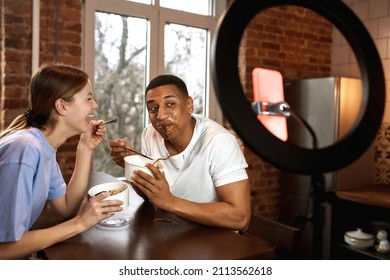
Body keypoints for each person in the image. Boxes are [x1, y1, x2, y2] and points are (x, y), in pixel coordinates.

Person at [0, 63, 123, 259]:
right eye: (89, 98)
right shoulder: (26, 148)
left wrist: (85, 148)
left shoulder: (43, 147)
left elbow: (67, 207)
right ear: (62, 106)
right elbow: (4, 249)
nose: (95, 106)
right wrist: (80, 224)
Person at [109, 74, 251, 231]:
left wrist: (170, 202)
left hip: (216, 239)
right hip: (174, 228)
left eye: (170, 104)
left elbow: (240, 218)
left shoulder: (219, 141)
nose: (160, 115)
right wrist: (132, 165)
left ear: (189, 105)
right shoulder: (150, 134)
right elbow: (153, 197)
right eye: (153, 109)